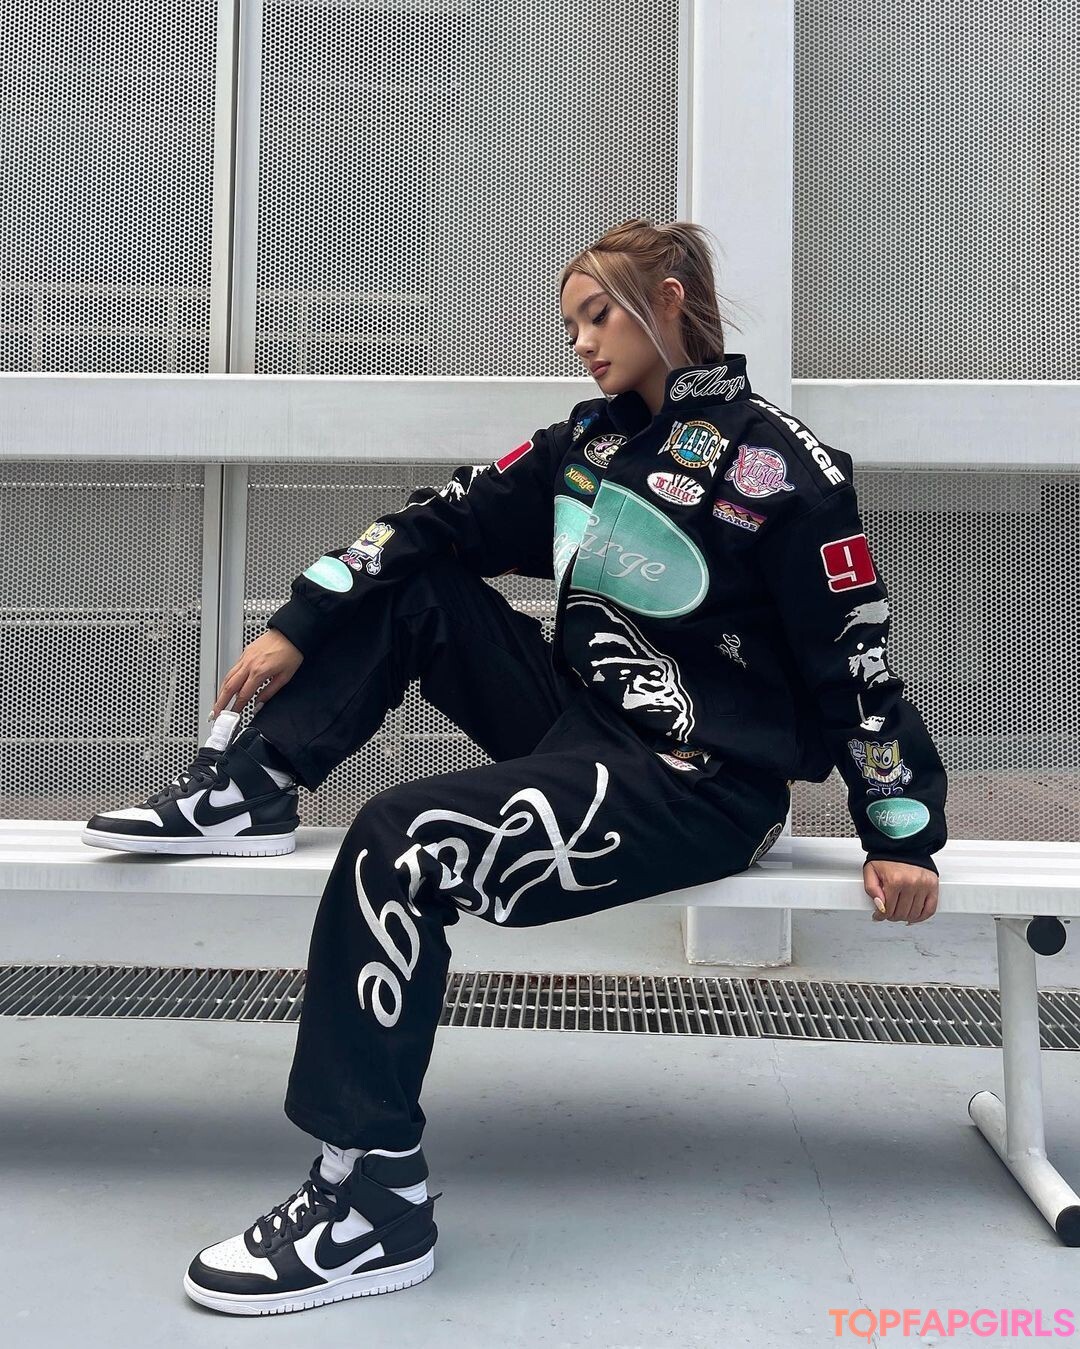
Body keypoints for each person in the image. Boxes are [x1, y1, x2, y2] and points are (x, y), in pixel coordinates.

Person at [83, 218, 948, 1317]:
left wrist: (901, 828)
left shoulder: (781, 466)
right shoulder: (587, 444)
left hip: (701, 781)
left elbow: (854, 655)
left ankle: (374, 1197)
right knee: (421, 582)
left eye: (599, 315)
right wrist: (300, 621)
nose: (581, 342)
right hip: (582, 727)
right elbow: (436, 518)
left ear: (670, 299)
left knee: (402, 838)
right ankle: (252, 787)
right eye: (571, 323)